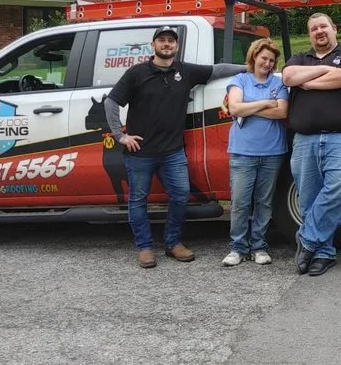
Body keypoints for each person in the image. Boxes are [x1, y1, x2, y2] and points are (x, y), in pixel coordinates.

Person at [105, 26, 247, 269]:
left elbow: (219, 70)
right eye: (162, 40)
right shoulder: (136, 73)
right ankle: (145, 248)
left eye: (171, 41)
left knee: (180, 196)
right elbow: (111, 101)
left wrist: (251, 68)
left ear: (177, 46)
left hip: (173, 152)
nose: (167, 44)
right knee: (138, 200)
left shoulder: (185, 71)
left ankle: (173, 243)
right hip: (140, 153)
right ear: (153, 45)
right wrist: (120, 135)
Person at [281, 12, 341, 277]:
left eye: (323, 27)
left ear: (334, 28)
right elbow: (288, 77)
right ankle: (323, 253)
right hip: (305, 140)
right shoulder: (299, 58)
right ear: (309, 35)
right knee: (309, 198)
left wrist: (306, 82)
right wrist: (325, 69)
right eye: (313, 29)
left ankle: (306, 239)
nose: (319, 32)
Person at [220, 38, 289, 267]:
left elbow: (281, 113)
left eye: (271, 60)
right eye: (263, 58)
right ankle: (237, 248)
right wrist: (266, 103)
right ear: (254, 57)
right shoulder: (240, 79)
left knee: (264, 202)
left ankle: (259, 246)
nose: (267, 63)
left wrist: (250, 108)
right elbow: (234, 107)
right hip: (242, 152)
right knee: (240, 202)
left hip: (272, 152)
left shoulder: (278, 84)